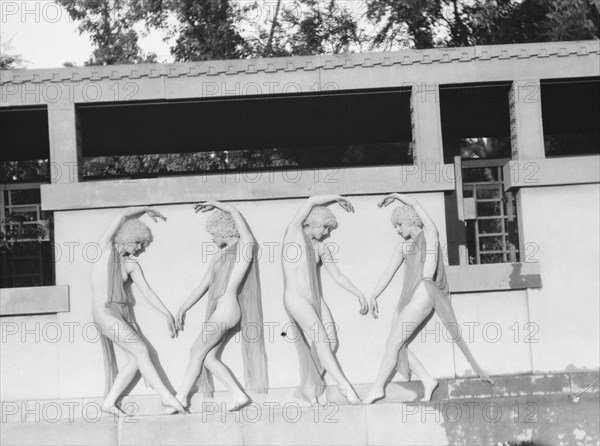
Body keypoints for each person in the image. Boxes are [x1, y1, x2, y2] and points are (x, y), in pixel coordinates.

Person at [364, 194, 494, 404]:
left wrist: (397, 195)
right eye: (395, 226)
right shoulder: (402, 247)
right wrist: (374, 294)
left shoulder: (430, 234)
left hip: (424, 292)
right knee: (395, 343)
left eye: (399, 224)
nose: (397, 230)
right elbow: (387, 274)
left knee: (394, 342)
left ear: (410, 220)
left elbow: (416, 203)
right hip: (408, 296)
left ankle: (377, 388)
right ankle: (427, 379)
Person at [165, 201, 268, 413]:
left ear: (224, 230)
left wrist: (221, 205)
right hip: (221, 310)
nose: (212, 238)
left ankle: (181, 398)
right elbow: (203, 286)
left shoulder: (244, 250)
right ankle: (238, 395)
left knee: (195, 350)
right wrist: (183, 308)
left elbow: (245, 233)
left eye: (214, 233)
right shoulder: (217, 256)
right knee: (208, 357)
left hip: (227, 308)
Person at [92, 206, 185, 416]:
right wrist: (146, 208)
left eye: (142, 245)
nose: (139, 248)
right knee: (142, 351)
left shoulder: (131, 265)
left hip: (120, 315)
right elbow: (121, 214)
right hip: (104, 313)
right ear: (126, 237)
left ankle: (108, 402)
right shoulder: (103, 249)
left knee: (135, 360)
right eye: (137, 243)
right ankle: (166, 397)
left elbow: (148, 293)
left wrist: (167, 313)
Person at [282, 195, 368, 406]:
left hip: (315, 300)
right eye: (324, 228)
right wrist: (337, 197)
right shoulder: (293, 234)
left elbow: (337, 275)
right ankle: (344, 386)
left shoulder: (321, 248)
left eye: (329, 229)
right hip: (296, 298)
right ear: (312, 223)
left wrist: (358, 293)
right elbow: (310, 201)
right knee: (321, 339)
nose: (326, 233)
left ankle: (309, 388)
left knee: (331, 340)